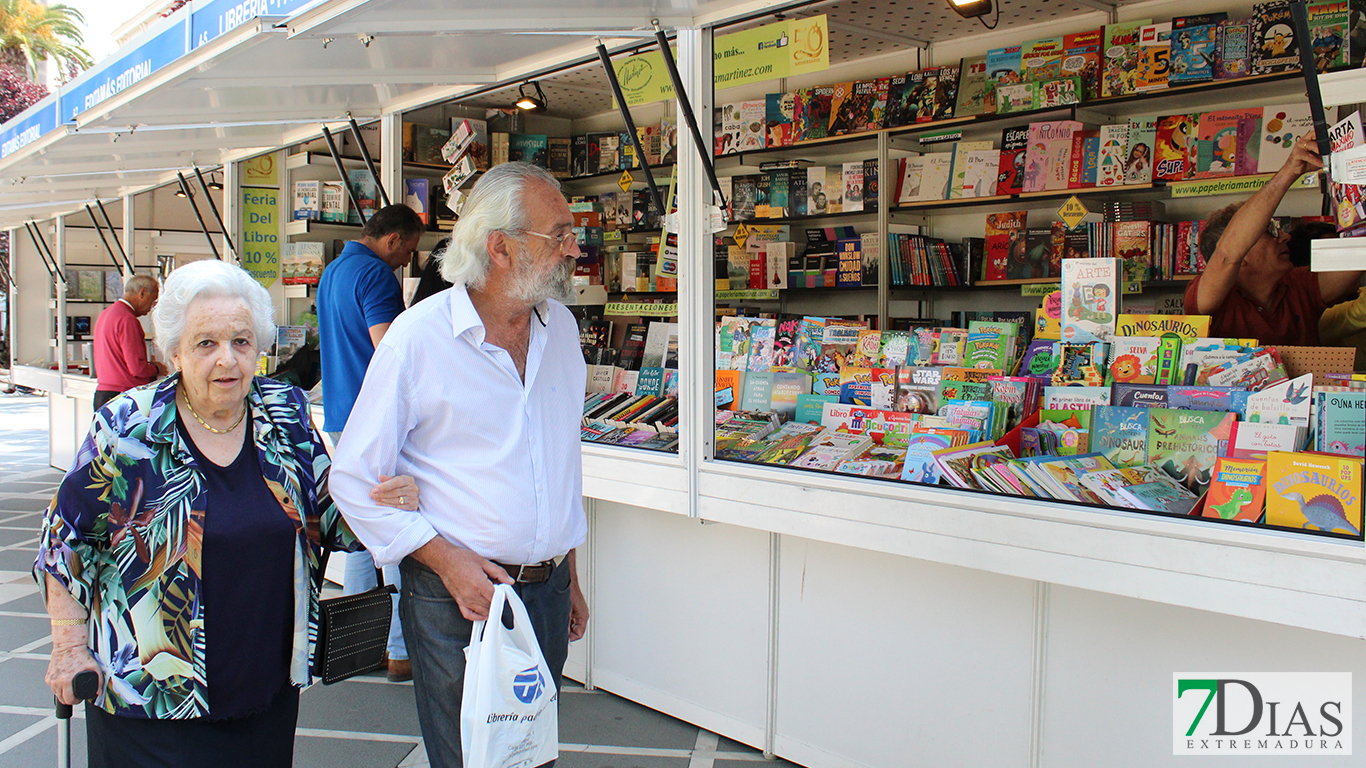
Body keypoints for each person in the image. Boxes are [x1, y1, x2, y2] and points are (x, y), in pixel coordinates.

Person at [36, 260, 420, 768]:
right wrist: (68, 646)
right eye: (206, 344)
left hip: (265, 694)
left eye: (241, 342)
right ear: (174, 352)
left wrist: (386, 497)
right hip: (151, 701)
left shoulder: (283, 411)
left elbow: (330, 513)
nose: (228, 360)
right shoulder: (132, 429)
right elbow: (64, 541)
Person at [329, 162, 590, 768]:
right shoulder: (418, 339)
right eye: (560, 235)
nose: (574, 250)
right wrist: (446, 562)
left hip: (545, 593)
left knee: (531, 759)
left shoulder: (564, 332)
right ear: (499, 246)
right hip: (459, 598)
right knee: (468, 759)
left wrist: (569, 571)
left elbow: (558, 464)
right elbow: (353, 476)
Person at [316, 203, 424, 681]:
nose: (407, 263)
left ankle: (361, 646)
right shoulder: (377, 276)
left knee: (359, 535)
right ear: (393, 239)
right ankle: (400, 649)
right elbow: (390, 350)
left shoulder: (333, 271)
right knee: (397, 534)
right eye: (409, 252)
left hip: (342, 415)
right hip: (378, 422)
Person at [1186, 135, 1364, 345]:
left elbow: (1359, 254)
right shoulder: (1207, 299)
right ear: (1242, 256)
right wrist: (1290, 170)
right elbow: (1227, 254)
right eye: (1269, 231)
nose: (1286, 237)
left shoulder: (1298, 285)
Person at [92, 274, 166, 409]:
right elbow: (137, 369)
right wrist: (157, 368)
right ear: (142, 293)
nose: (152, 307)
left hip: (104, 394)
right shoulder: (127, 320)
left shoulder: (106, 314)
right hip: (124, 395)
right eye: (153, 300)